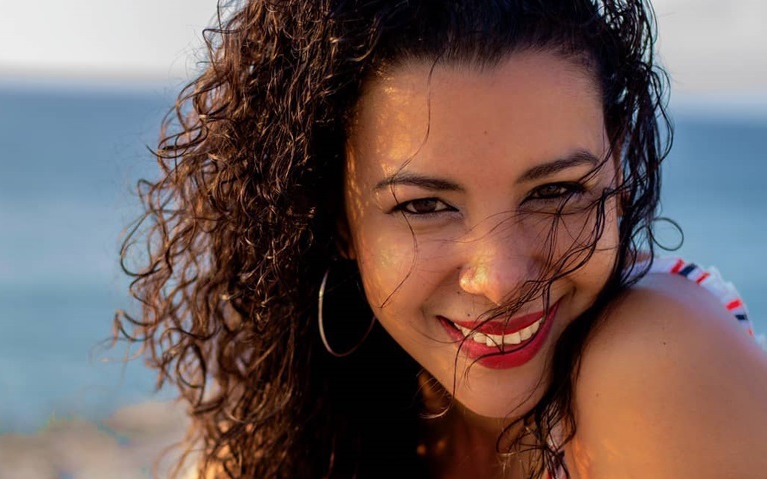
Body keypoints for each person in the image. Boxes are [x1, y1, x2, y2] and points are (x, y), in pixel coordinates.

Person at [115, 0, 767, 477]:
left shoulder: (660, 361)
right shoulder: (314, 415)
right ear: (336, 218)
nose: (501, 277)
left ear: (617, 168)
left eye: (555, 191)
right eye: (424, 205)